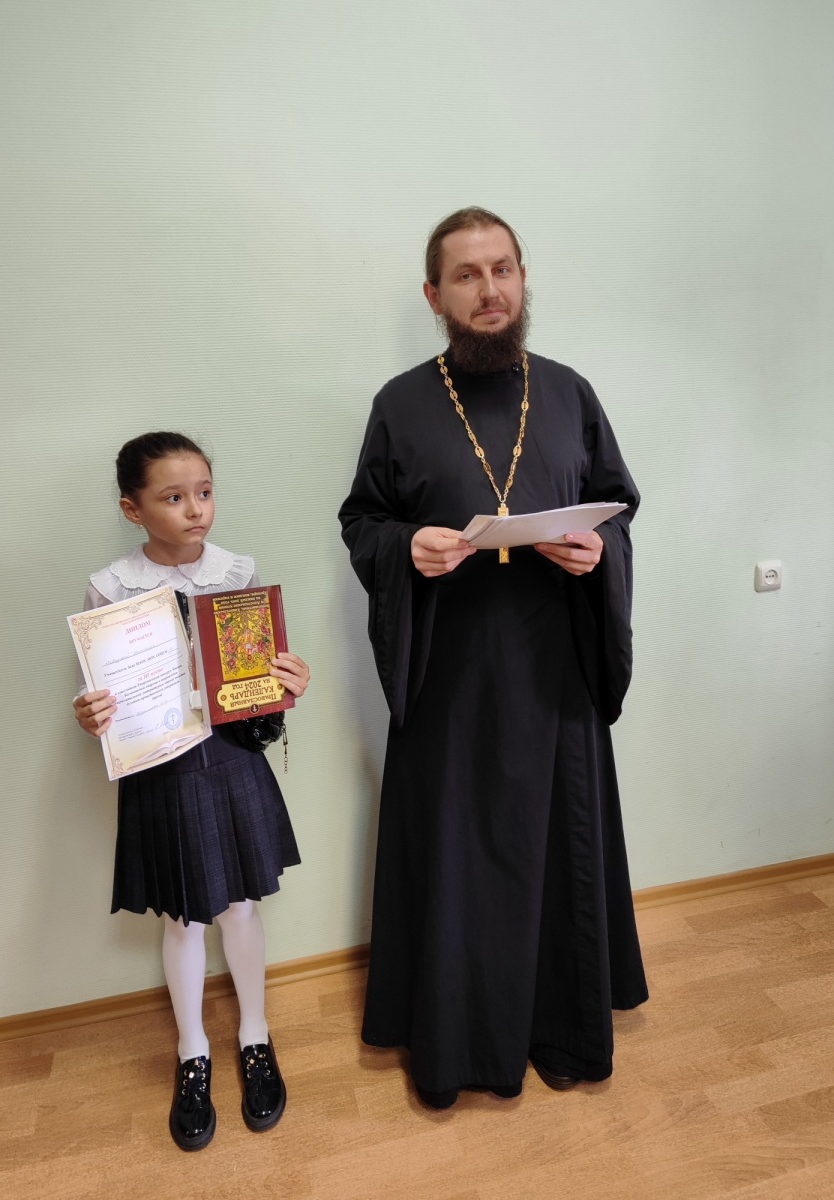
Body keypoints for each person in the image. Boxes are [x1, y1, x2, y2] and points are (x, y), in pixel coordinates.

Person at [338, 207, 647, 1110]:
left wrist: (596, 552)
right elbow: (363, 520)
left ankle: (562, 1028)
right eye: (467, 275)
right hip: (451, 671)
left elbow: (617, 505)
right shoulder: (401, 402)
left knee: (556, 849)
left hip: (554, 669)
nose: (489, 289)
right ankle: (457, 1039)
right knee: (459, 854)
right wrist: (407, 548)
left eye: (503, 268)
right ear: (434, 295)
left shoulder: (569, 392)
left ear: (522, 277)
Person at [74, 431, 309, 1149]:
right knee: (183, 916)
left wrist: (286, 683)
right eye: (173, 497)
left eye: (204, 492)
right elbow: (102, 696)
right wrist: (91, 713)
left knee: (240, 906)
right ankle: (192, 1051)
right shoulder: (110, 589)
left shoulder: (238, 571)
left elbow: (256, 684)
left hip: (232, 760)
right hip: (163, 770)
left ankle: (255, 1035)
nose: (195, 509)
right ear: (133, 509)